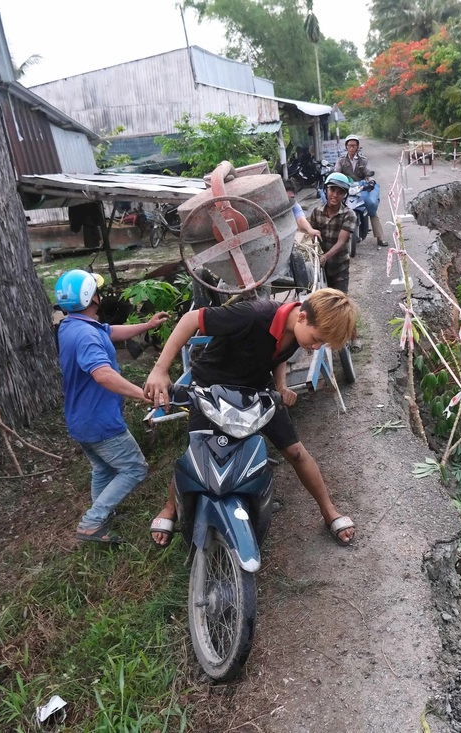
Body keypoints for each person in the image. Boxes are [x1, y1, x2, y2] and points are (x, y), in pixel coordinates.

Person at [144, 288, 359, 547]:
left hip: (257, 391)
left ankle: (329, 511)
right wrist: (159, 370)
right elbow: (190, 320)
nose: (315, 347)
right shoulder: (251, 315)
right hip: (212, 388)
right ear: (302, 317)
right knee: (197, 452)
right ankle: (170, 508)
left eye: (321, 344)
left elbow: (279, 353)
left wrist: (280, 387)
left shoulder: (296, 330)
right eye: (316, 339)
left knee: (296, 452)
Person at [55, 269, 170, 544]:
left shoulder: (73, 326)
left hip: (80, 419)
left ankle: (101, 516)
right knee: (135, 468)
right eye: (96, 290)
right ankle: (92, 523)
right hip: (100, 421)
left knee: (104, 469)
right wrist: (143, 395)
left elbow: (111, 332)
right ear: (90, 297)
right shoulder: (86, 336)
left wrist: (147, 325)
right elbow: (103, 374)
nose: (100, 294)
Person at [309, 172, 361, 350]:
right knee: (323, 303)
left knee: (342, 301)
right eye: (332, 190)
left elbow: (341, 242)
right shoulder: (316, 212)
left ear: (344, 195)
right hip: (320, 267)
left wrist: (325, 256)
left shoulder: (349, 214)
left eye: (340, 192)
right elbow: (313, 236)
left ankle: (354, 338)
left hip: (339, 265)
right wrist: (316, 252)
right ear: (326, 190)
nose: (334, 195)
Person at [333, 134, 386, 247]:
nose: (351, 148)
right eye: (349, 145)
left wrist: (370, 181)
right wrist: (335, 179)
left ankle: (380, 238)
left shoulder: (363, 160)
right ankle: (333, 238)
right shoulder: (341, 160)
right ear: (346, 146)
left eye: (354, 145)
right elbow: (336, 173)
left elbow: (368, 172)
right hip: (346, 188)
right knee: (334, 208)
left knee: (371, 207)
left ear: (357, 147)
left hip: (361, 188)